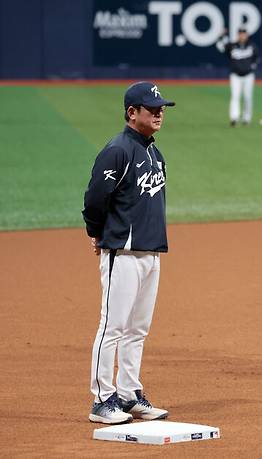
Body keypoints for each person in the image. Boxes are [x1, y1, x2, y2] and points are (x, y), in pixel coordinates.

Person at [82, 81, 173, 424]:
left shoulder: (154, 152)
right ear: (132, 113)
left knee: (138, 329)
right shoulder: (117, 150)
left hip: (151, 253)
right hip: (122, 252)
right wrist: (97, 232)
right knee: (113, 327)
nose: (159, 113)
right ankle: (102, 400)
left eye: (162, 108)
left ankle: (128, 393)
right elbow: (94, 198)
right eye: (153, 109)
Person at [217, 27, 260, 126]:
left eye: (244, 33)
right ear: (238, 35)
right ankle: (234, 118)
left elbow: (257, 58)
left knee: (247, 97)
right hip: (235, 75)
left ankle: (246, 118)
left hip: (248, 75)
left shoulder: (252, 46)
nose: (242, 35)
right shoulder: (232, 46)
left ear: (247, 35)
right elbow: (220, 47)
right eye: (240, 33)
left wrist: (251, 67)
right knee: (235, 96)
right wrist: (221, 36)